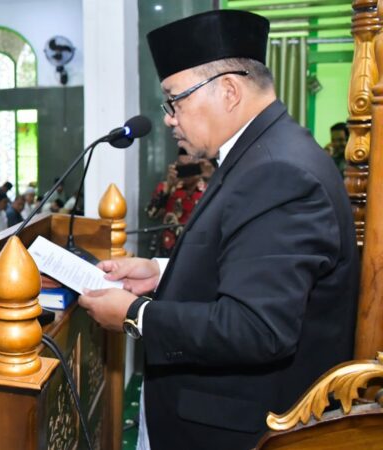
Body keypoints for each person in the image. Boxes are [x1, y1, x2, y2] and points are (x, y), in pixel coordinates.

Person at [76, 11, 359, 450]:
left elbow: (256, 327)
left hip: (238, 430)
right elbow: (247, 259)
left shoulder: (278, 170)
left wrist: (136, 314)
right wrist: (160, 271)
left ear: (228, 90)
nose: (169, 118)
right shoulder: (263, 152)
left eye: (175, 100)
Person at [146, 149, 208, 257]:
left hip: (198, 251)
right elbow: (151, 214)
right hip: (169, 251)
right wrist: (168, 188)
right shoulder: (166, 188)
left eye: (190, 167)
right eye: (182, 167)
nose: (187, 172)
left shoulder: (209, 190)